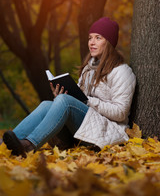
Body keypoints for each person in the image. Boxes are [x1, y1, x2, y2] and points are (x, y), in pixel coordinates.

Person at [3, 17, 136, 158]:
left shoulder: (122, 71)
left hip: (107, 133)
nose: (92, 42)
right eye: (90, 38)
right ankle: (4, 146)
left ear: (109, 42)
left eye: (98, 38)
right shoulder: (88, 69)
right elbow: (76, 99)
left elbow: (121, 112)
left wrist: (87, 101)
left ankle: (29, 145)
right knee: (47, 104)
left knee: (64, 101)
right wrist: (60, 95)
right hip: (82, 129)